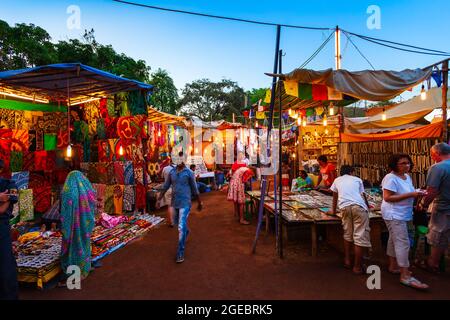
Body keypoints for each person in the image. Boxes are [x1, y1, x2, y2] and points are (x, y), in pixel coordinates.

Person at [381, 154, 428, 290]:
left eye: (407, 163)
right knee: (403, 242)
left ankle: (393, 265)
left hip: (403, 213)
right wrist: (412, 195)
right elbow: (388, 197)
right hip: (394, 214)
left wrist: (417, 194)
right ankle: (405, 275)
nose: (406, 165)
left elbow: (407, 192)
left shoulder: (406, 177)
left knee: (393, 239)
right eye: (402, 163)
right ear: (395, 165)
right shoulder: (390, 178)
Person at [158, 152, 203, 263]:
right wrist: (159, 198)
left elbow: (194, 189)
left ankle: (180, 253)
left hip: (185, 203)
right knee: (180, 224)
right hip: (175, 203)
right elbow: (166, 186)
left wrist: (199, 202)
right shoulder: (172, 172)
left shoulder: (189, 173)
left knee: (180, 226)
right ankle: (186, 232)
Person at [330, 165, 371, 275]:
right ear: (352, 172)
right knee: (359, 237)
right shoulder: (357, 179)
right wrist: (368, 206)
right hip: (359, 207)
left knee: (348, 234)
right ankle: (357, 266)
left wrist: (333, 212)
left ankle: (347, 260)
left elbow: (334, 197)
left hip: (344, 207)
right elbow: (362, 195)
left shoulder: (337, 180)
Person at [417, 142, 450, 273]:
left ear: (437, 154)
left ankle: (433, 263)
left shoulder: (437, 168)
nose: (431, 157)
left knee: (437, 236)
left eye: (432, 154)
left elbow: (432, 191)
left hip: (443, 208)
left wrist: (423, 205)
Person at [60, 171, 96, 285]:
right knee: (84, 245)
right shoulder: (84, 188)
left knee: (74, 248)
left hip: (73, 226)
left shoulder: (68, 190)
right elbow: (92, 195)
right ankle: (85, 268)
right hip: (84, 225)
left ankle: (74, 277)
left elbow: (64, 208)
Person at [0, 160, 19, 300]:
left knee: (5, 265)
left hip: (2, 229)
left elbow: (2, 209)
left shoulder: (9, 184)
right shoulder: (8, 185)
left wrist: (4, 202)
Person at [161, 157, 176, 227]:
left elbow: (162, 178)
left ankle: (171, 222)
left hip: (168, 189)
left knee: (170, 206)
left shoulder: (165, 168)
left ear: (170, 161)